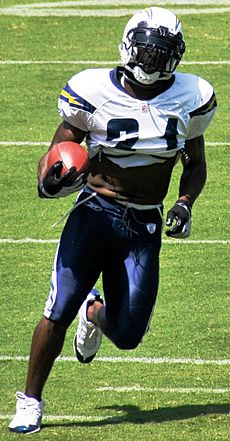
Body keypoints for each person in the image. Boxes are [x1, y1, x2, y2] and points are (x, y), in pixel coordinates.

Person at [9, 6, 217, 434]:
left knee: (128, 333)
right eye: (147, 53)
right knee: (56, 309)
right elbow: (53, 159)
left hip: (144, 224)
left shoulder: (191, 97)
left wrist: (184, 203)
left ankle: (95, 311)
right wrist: (52, 181)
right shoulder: (91, 90)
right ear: (128, 48)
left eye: (162, 56)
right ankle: (31, 400)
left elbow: (195, 163)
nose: (153, 64)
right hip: (94, 212)